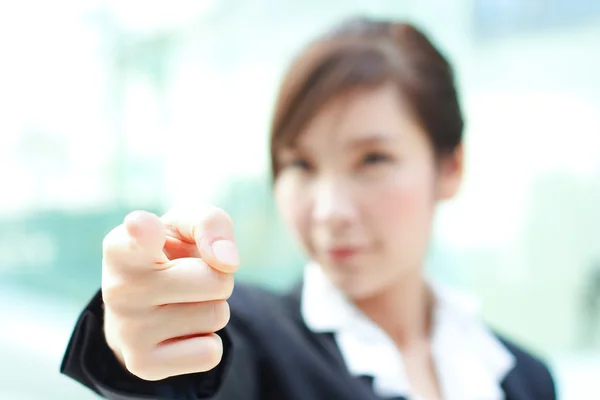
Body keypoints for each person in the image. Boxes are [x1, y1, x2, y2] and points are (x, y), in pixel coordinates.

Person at [60, 17, 557, 400]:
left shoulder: (524, 377)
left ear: (450, 168)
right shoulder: (253, 336)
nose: (329, 211)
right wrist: (136, 338)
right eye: (300, 163)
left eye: (373, 159)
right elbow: (196, 373)